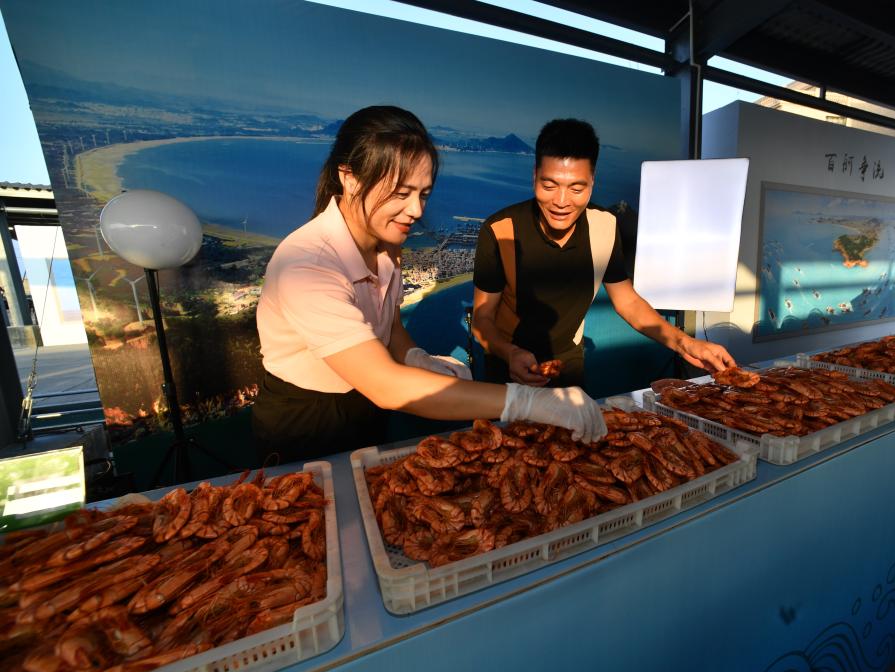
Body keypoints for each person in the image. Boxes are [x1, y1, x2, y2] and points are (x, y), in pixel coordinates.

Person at [253, 106, 607, 461]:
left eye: (423, 194)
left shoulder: (387, 243)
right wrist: (527, 401)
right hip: (305, 422)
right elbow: (385, 385)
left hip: (365, 408)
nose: (417, 210)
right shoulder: (308, 266)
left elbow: (388, 328)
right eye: (401, 193)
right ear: (350, 178)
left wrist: (416, 357)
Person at [471, 118, 736, 389]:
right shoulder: (500, 230)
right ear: (534, 176)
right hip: (508, 364)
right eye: (549, 186)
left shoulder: (605, 225)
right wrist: (510, 353)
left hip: (568, 364)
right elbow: (482, 318)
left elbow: (628, 302)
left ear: (592, 181)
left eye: (577, 188)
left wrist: (685, 343)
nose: (561, 201)